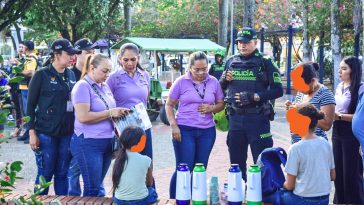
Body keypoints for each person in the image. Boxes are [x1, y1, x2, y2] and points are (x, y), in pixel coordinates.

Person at [220, 27, 283, 181]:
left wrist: (255, 96)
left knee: (263, 162)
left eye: (247, 42)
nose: (243, 45)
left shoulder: (265, 61)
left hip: (258, 120)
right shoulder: (231, 61)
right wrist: (223, 80)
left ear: (255, 42)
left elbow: (278, 91)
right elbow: (220, 88)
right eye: (240, 42)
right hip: (235, 120)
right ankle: (239, 194)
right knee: (236, 163)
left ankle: (263, 194)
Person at [166, 51, 225, 198]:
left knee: (200, 168)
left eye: (204, 69)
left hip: (207, 132)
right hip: (184, 130)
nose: (201, 73)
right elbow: (169, 105)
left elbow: (221, 103)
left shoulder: (213, 82)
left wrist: (211, 108)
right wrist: (174, 125)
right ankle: (174, 199)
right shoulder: (181, 82)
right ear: (190, 67)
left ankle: (193, 199)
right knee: (184, 167)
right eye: (197, 69)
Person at [71, 53, 128, 196]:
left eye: (110, 70)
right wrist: (110, 113)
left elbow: (110, 112)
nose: (108, 74)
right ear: (92, 68)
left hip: (106, 141)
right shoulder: (82, 86)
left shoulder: (104, 86)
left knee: (97, 185)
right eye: (104, 71)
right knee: (92, 188)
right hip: (88, 142)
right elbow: (83, 117)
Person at [27, 38, 79, 195]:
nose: (72, 57)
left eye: (73, 54)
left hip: (66, 132)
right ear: (56, 54)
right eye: (69, 54)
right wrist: (31, 132)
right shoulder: (41, 75)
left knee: (62, 175)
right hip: (46, 133)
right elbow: (29, 106)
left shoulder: (70, 74)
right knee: (45, 174)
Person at [106, 43, 154, 163]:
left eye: (133, 59)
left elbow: (145, 100)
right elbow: (106, 102)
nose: (129, 63)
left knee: (146, 162)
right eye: (125, 60)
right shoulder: (113, 78)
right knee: (127, 164)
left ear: (138, 58)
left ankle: (148, 183)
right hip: (124, 128)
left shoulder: (145, 75)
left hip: (143, 126)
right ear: (120, 59)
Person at [281, 103, 335, 205]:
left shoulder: (296, 149)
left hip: (303, 200)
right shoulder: (325, 143)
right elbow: (332, 176)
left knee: (277, 195)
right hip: (324, 199)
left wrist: (281, 186)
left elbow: (289, 185)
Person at [67, 38, 97, 196]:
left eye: (93, 51)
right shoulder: (70, 74)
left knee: (87, 167)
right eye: (87, 52)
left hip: (91, 129)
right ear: (77, 54)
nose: (91, 54)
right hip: (71, 127)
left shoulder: (95, 75)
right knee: (73, 168)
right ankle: (73, 197)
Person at [332, 56, 364, 203]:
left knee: (351, 172)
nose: (340, 71)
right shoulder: (339, 87)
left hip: (352, 133)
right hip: (337, 131)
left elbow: (360, 117)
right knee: (338, 170)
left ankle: (356, 201)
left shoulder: (360, 88)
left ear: (354, 71)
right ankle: (340, 201)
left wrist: (339, 116)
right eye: (340, 68)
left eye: (344, 68)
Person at [285, 62, 335, 144]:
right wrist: (291, 107)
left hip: (315, 146)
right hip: (297, 145)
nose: (298, 89)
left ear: (312, 81)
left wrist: (302, 113)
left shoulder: (325, 94)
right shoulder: (301, 93)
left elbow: (327, 125)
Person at [112, 126, 157, 205]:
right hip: (140, 201)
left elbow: (116, 183)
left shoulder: (116, 161)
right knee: (152, 191)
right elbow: (149, 183)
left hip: (120, 200)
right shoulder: (147, 160)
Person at [17, 40, 39, 143]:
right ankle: (27, 132)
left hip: (28, 88)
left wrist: (18, 71)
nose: (21, 48)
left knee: (29, 112)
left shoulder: (31, 58)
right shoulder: (27, 58)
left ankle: (30, 134)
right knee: (26, 112)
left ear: (27, 48)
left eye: (23, 47)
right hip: (24, 87)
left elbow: (30, 72)